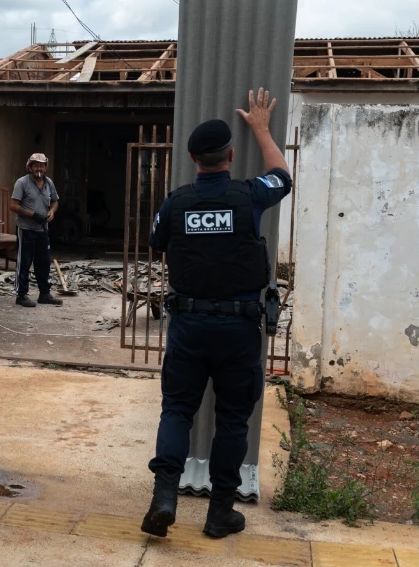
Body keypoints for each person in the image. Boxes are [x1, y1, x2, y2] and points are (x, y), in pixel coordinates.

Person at [141, 89, 292, 540]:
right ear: (229, 155)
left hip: (188, 326)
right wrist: (262, 130)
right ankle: (219, 512)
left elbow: (157, 243)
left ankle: (165, 498)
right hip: (238, 329)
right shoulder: (250, 196)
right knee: (230, 420)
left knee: (177, 411)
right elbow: (282, 176)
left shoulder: (175, 203)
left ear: (191, 158)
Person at [8, 153, 62, 308]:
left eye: (42, 165)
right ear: (30, 167)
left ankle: (44, 293)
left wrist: (52, 211)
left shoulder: (48, 182)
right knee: (24, 262)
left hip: (42, 229)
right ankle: (21, 295)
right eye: (36, 165)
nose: (39, 168)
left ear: (46, 167)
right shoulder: (22, 182)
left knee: (44, 262)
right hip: (26, 228)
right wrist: (32, 214)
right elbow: (13, 205)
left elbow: (55, 201)